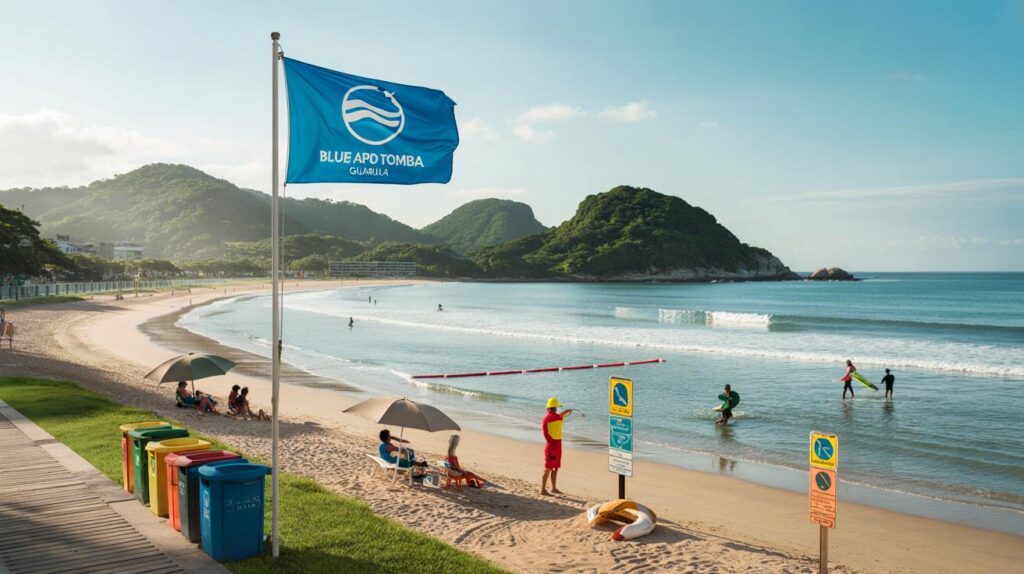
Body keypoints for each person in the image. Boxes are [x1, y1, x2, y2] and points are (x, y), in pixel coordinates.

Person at [540, 397, 573, 496]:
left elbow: (559, 416)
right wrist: (567, 412)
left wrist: (565, 412)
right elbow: (560, 416)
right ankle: (543, 490)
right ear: (555, 408)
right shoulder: (557, 417)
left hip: (553, 445)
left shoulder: (548, 417)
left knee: (553, 467)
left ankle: (553, 488)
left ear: (548, 408)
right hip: (554, 445)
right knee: (550, 468)